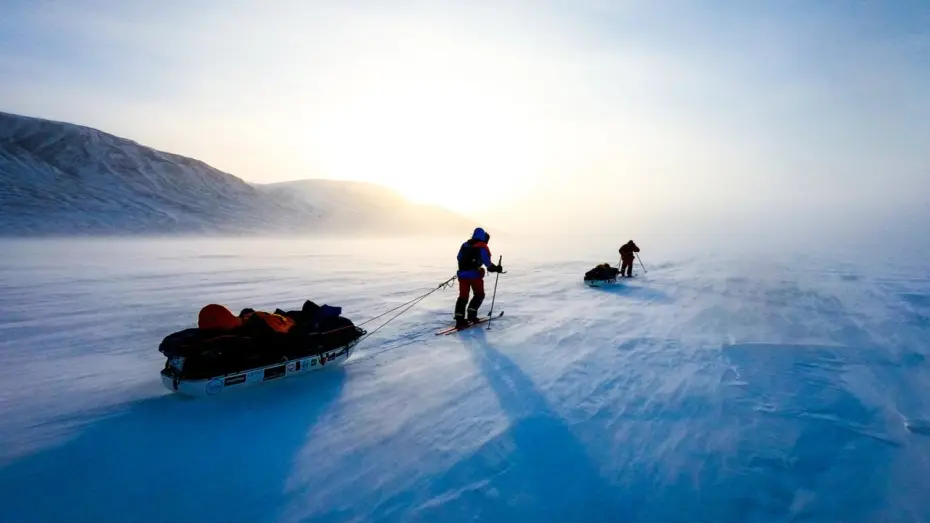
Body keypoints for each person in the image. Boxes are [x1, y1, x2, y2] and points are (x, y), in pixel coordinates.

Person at [455, 227, 503, 328]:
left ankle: (459, 320)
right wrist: (497, 268)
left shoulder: (465, 245)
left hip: (462, 275)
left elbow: (459, 258)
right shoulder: (482, 247)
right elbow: (488, 264)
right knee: (479, 294)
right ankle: (471, 316)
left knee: (463, 297)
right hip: (474, 275)